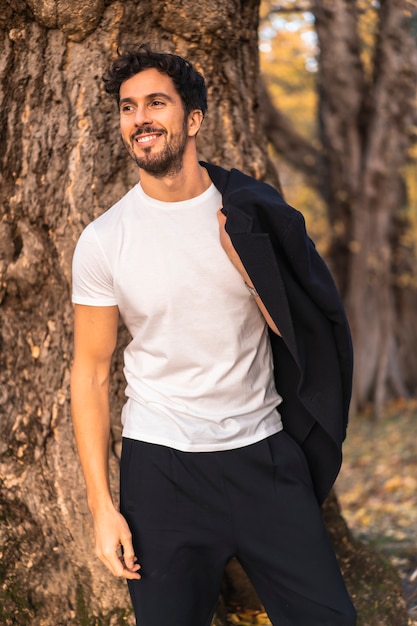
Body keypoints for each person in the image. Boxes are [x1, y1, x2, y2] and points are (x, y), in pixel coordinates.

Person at [70, 44, 357, 626]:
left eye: (156, 103)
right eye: (128, 108)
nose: (140, 119)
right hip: (162, 469)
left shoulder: (251, 216)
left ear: (193, 119)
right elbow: (91, 372)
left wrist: (255, 275)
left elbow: (305, 333)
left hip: (264, 455)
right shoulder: (104, 240)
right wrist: (102, 507)